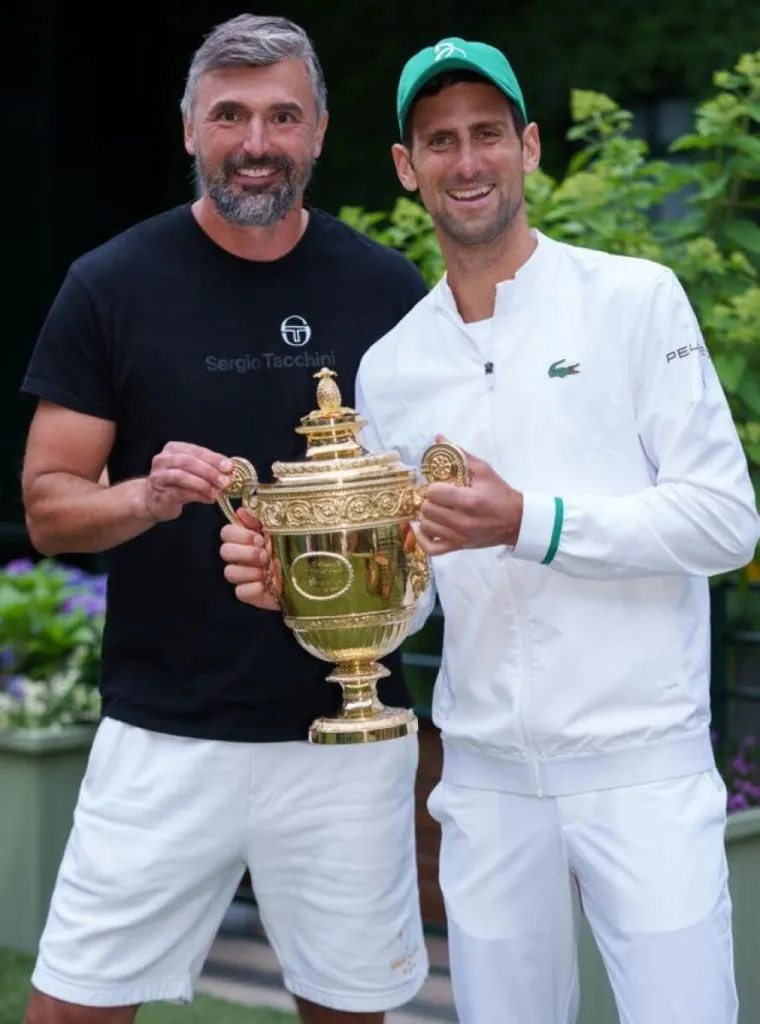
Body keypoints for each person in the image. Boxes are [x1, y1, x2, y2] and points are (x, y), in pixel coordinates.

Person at [220, 35, 760, 1024]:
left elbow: (725, 519)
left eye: (485, 135)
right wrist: (302, 580)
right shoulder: (391, 365)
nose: (464, 162)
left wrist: (531, 521)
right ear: (404, 166)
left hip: (638, 762)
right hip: (485, 779)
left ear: (529, 147)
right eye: (438, 141)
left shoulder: (633, 300)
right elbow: (409, 581)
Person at [19, 14, 430, 1024]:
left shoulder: (387, 289)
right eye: (231, 115)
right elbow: (48, 509)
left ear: (321, 131)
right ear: (191, 130)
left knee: (349, 1012)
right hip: (165, 730)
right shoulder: (110, 284)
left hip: (348, 729)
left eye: (282, 115)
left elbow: (428, 500)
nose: (257, 141)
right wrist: (148, 496)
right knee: (73, 1009)